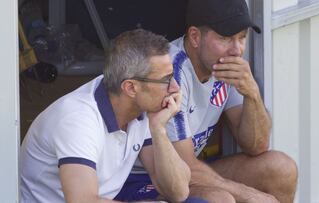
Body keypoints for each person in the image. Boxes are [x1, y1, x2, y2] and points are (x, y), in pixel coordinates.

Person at [127, 0, 298, 203]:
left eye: (242, 37)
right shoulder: (171, 73)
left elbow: (257, 146)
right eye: (225, 38)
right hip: (144, 178)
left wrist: (251, 93)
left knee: (281, 169)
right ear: (195, 37)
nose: (236, 50)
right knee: (220, 199)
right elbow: (186, 167)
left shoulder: (224, 64)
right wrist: (252, 196)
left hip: (190, 167)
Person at [20, 29, 192, 203]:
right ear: (131, 88)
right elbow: (83, 201)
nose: (175, 87)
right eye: (166, 79)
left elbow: (178, 192)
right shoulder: (78, 119)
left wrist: (158, 130)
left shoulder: (140, 108)